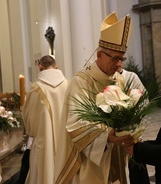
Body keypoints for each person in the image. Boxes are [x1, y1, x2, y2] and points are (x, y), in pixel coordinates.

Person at [54, 12, 135, 184]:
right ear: (99, 55)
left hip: (116, 155)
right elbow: (76, 123)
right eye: (115, 58)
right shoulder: (81, 81)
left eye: (122, 59)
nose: (119, 64)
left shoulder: (118, 79)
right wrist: (107, 134)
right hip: (90, 164)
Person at [22, 55, 68, 184]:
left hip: (43, 142)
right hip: (65, 142)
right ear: (56, 65)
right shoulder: (68, 85)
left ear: (40, 66)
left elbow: (29, 122)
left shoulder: (35, 88)